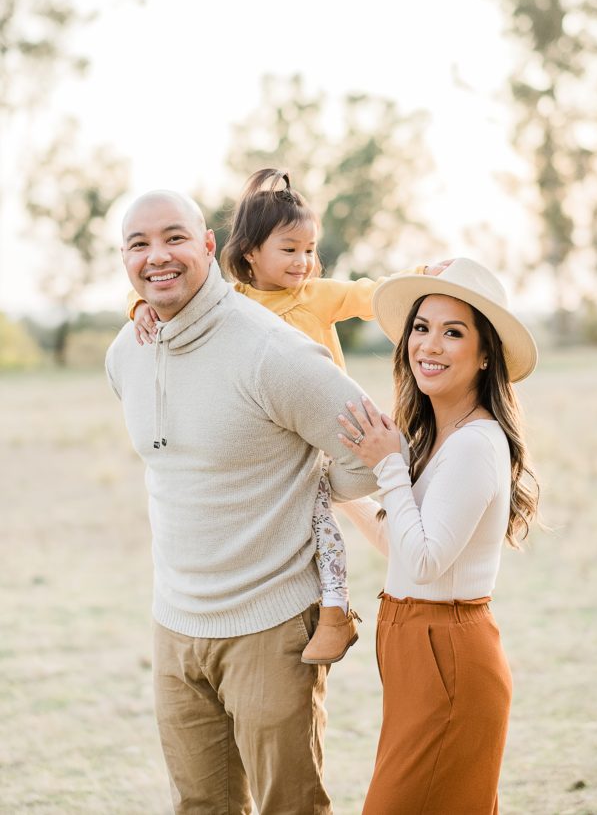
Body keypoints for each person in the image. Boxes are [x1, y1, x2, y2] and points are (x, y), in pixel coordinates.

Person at [105, 189, 380, 814]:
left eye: (175, 237)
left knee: (291, 807)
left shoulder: (271, 350)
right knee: (201, 807)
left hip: (272, 625)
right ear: (124, 259)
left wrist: (299, 496)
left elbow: (374, 453)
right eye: (138, 244)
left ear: (208, 246)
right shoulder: (125, 355)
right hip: (174, 627)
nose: (157, 256)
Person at [129, 168, 430, 666]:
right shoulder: (235, 303)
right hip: (279, 438)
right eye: (289, 249)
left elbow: (370, 294)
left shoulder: (317, 295)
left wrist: (421, 275)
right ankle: (336, 611)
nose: (303, 262)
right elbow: (177, 295)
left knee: (363, 505)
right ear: (249, 252)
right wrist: (138, 303)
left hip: (333, 429)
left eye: (310, 249)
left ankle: (382, 575)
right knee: (319, 522)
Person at [335, 258, 539, 815]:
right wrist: (342, 495)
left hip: (447, 655)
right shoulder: (442, 436)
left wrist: (388, 467)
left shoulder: (475, 443)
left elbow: (424, 561)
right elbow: (406, 541)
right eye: (421, 328)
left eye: (454, 332)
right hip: (417, 650)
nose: (430, 344)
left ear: (486, 352)